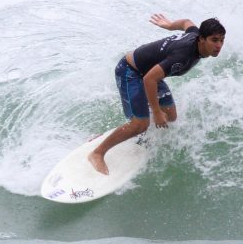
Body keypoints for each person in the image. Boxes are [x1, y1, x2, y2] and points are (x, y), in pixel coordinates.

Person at [88, 13, 226, 175]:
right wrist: (156, 111)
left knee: (171, 115)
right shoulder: (182, 56)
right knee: (140, 123)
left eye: (222, 40)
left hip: (149, 72)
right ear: (201, 39)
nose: (219, 45)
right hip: (130, 72)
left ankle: (138, 134)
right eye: (214, 40)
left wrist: (169, 25)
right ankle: (97, 153)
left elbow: (186, 22)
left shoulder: (194, 35)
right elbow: (149, 80)